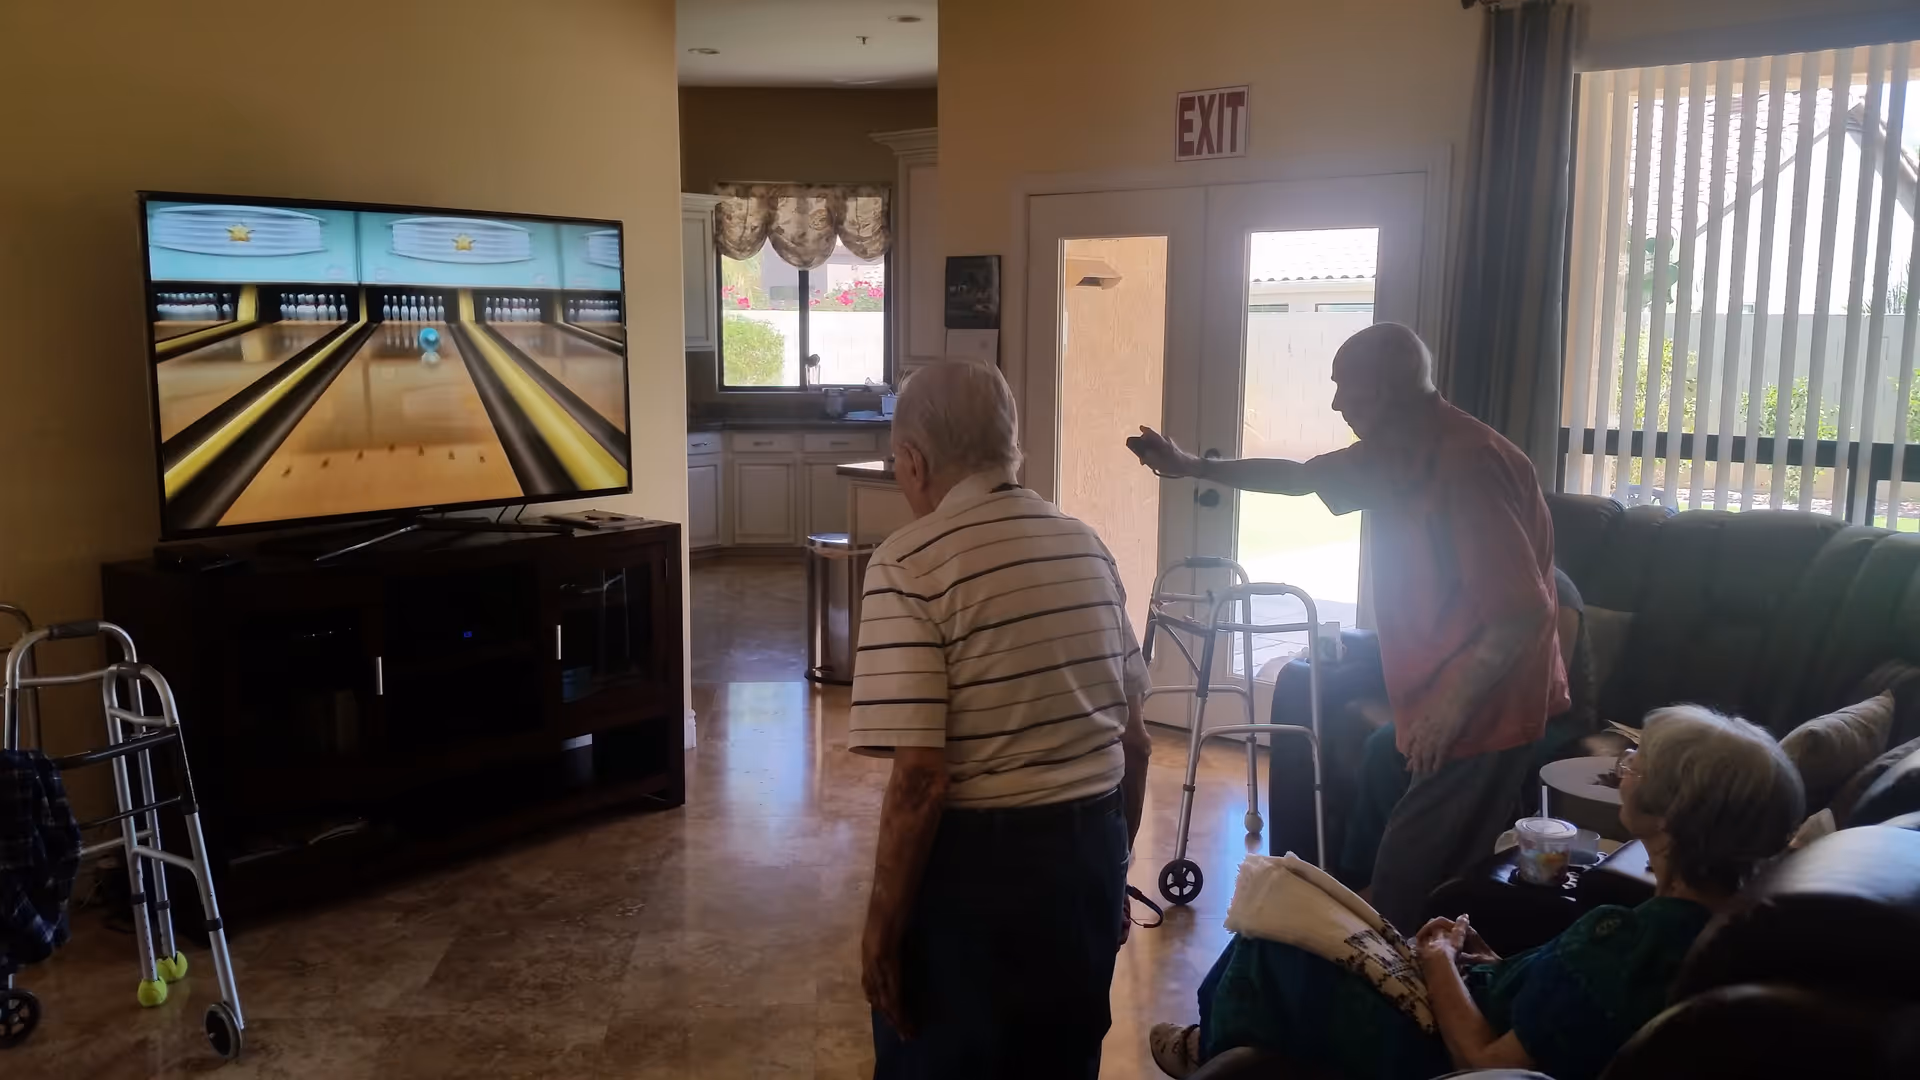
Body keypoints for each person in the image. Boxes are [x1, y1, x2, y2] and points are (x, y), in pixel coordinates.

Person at [1128, 323, 1568, 932]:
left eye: (1345, 389)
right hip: (1442, 699)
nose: (1335, 405)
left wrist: (1448, 711)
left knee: (1409, 882)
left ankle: (1391, 978)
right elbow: (1299, 477)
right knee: (1408, 826)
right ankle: (1390, 943)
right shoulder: (1396, 450)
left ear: (1386, 390)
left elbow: (1524, 611)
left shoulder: (1466, 465)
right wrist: (1189, 465)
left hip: (1484, 708)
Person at [1150, 705, 1806, 1080]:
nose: (1624, 770)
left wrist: (1437, 960)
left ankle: (1212, 1055)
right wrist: (1492, 964)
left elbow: (1483, 1062)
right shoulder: (1714, 928)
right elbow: (1564, 1003)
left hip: (1435, 1048)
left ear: (1673, 813)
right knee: (1314, 929)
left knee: (1272, 947)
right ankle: (1215, 1047)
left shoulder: (1629, 942)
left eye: (1639, 767)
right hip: (1477, 1000)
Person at [851, 361, 1154, 1079]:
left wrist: (881, 934)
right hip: (1086, 852)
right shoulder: (1088, 545)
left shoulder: (908, 564)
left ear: (915, 461)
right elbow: (1134, 744)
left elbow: (922, 781)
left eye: (898, 462)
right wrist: (1111, 873)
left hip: (977, 875)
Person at [1340, 566, 1598, 889]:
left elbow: (1546, 690)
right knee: (1385, 744)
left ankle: (1448, 882)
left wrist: (1463, 720)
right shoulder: (1469, 587)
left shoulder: (1557, 590)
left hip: (1548, 719)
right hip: (1476, 711)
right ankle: (1365, 875)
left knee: (1472, 754)